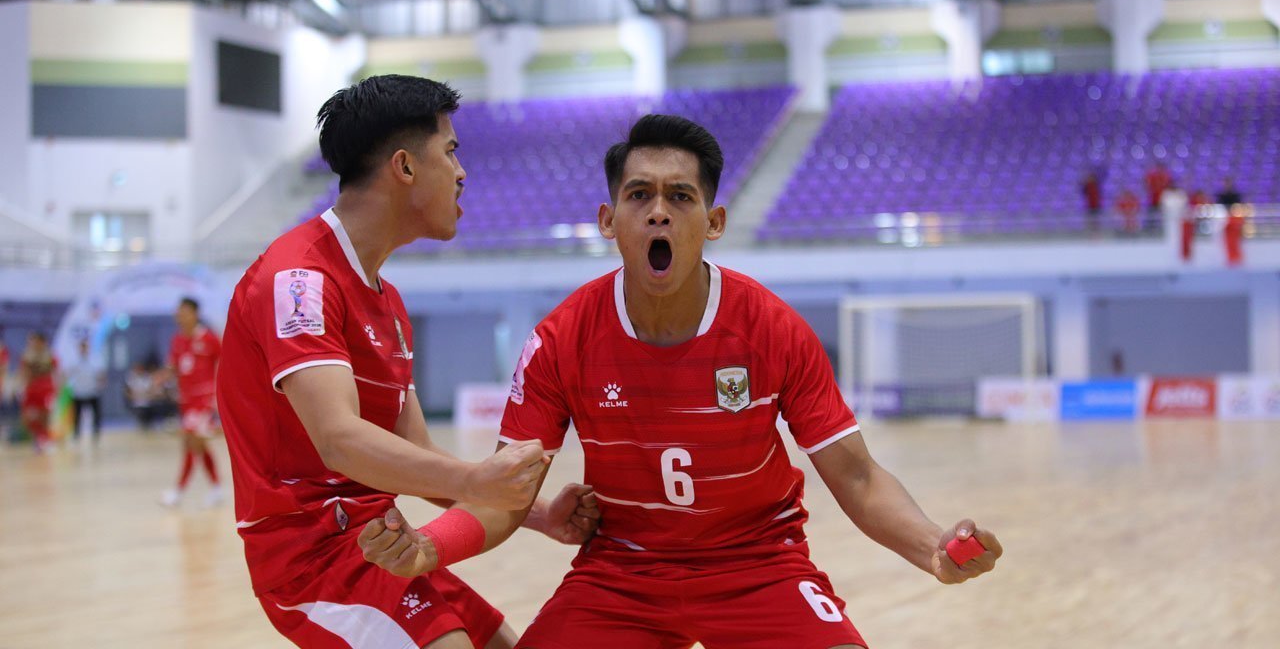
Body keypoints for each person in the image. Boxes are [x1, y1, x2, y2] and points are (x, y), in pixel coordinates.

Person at [361, 114, 1003, 649]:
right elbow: (502, 493)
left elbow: (856, 477)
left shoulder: (773, 328)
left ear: (714, 221)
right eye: (639, 195)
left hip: (759, 566)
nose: (659, 213)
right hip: (620, 576)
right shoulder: (561, 339)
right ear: (609, 220)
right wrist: (427, 548)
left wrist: (931, 548)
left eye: (681, 197)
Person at [215, 74, 601, 649]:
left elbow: (417, 455)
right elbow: (339, 439)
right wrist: (477, 479)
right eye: (450, 152)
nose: (462, 172)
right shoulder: (298, 279)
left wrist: (542, 515)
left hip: (380, 542)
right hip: (310, 559)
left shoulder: (389, 303)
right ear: (404, 167)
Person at [161, 298, 225, 507]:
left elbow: (226, 361)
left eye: (184, 311)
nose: (180, 315)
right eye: (178, 311)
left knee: (190, 441)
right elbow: (173, 367)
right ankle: (217, 488)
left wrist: (221, 395)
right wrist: (158, 379)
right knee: (199, 444)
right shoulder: (177, 340)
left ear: (195, 313)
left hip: (204, 400)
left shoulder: (208, 338)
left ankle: (178, 492)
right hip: (186, 401)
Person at [18, 331, 58, 452]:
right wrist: (22, 387)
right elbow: (23, 372)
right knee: (27, 417)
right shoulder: (27, 356)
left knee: (44, 415)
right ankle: (38, 435)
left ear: (42, 342)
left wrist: (57, 389)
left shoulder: (50, 356)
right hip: (32, 388)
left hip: (46, 387)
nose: (33, 343)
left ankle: (44, 438)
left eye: (36, 341)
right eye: (32, 341)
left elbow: (56, 372)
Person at [65, 338, 105, 442]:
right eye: (82, 347)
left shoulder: (95, 360)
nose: (84, 349)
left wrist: (100, 384)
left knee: (96, 414)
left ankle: (95, 432)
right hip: (78, 392)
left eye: (85, 347)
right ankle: (76, 433)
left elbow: (101, 374)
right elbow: (67, 374)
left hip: (92, 391)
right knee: (77, 414)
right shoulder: (73, 361)